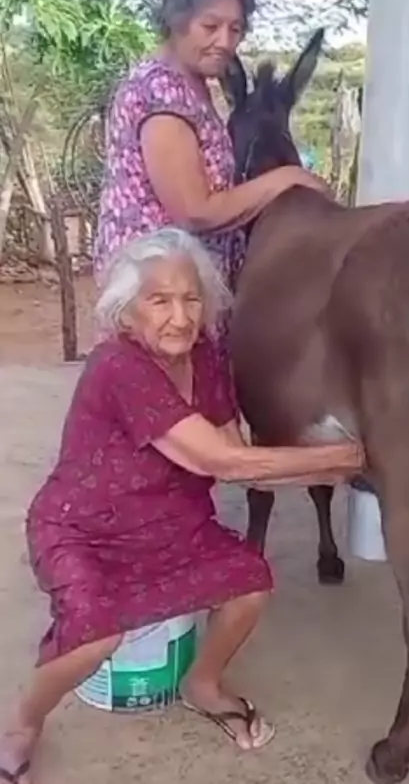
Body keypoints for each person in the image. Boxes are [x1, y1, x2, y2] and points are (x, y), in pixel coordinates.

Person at [0, 230, 364, 784]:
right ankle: (23, 725)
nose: (180, 316)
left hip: (171, 522)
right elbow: (224, 461)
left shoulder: (205, 359)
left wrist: (341, 469)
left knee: (249, 583)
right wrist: (358, 453)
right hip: (81, 529)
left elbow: (237, 457)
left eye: (192, 299)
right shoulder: (118, 365)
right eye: (159, 300)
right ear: (127, 312)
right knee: (96, 633)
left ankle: (203, 684)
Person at [94, 0, 330, 291]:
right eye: (210, 26)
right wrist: (288, 177)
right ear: (177, 21)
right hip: (158, 291)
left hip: (186, 285)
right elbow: (195, 211)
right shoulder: (161, 90)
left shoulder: (194, 88)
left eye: (236, 29)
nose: (225, 42)